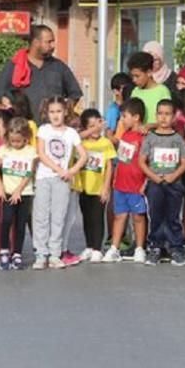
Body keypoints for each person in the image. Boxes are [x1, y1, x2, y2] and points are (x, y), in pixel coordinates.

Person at [32, 97, 86, 269]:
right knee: (41, 216)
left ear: (65, 112)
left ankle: (55, 253)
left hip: (63, 180)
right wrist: (58, 169)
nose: (55, 115)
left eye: (59, 112)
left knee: (59, 216)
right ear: (47, 114)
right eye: (52, 112)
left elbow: (84, 155)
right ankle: (41, 253)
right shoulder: (44, 130)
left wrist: (71, 171)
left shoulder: (71, 133)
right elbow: (41, 153)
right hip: (44, 177)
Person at [0, 25, 82, 120]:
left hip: (52, 131)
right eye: (49, 42)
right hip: (23, 129)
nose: (52, 46)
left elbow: (75, 94)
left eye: (53, 42)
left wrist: (64, 115)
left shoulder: (59, 67)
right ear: (36, 42)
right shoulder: (14, 65)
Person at [139, 99, 185, 266]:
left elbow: (184, 162)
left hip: (173, 183)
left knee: (173, 216)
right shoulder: (150, 138)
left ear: (174, 117)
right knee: (156, 215)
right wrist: (152, 176)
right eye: (160, 113)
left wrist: (174, 175)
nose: (163, 118)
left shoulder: (177, 138)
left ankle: (176, 247)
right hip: (155, 182)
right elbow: (142, 161)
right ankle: (155, 246)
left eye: (167, 114)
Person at [103, 99, 148, 264]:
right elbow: (122, 159)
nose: (122, 120)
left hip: (137, 184)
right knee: (119, 216)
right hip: (120, 184)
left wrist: (146, 182)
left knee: (138, 217)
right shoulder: (125, 135)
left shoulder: (145, 137)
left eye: (125, 116)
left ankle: (140, 248)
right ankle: (114, 248)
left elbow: (147, 161)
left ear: (136, 117)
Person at [0, 118, 38, 271]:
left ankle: (17, 253)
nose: (15, 144)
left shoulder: (31, 151)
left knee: (20, 224)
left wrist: (19, 190)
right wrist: (0, 187)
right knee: (6, 221)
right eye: (12, 141)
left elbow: (29, 173)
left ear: (26, 137)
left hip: (24, 193)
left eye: (19, 141)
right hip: (7, 191)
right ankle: (4, 251)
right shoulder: (3, 150)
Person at [75, 109, 115, 263]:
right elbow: (74, 138)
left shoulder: (105, 143)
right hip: (83, 187)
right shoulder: (80, 143)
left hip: (99, 188)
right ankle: (89, 246)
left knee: (97, 218)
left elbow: (109, 166)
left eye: (98, 124)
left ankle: (98, 248)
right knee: (86, 218)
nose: (95, 130)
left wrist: (106, 187)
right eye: (91, 126)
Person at [126, 51, 171, 129]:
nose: (134, 80)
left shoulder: (162, 92)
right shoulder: (135, 92)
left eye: (137, 76)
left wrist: (151, 126)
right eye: (132, 76)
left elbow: (169, 120)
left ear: (149, 72)